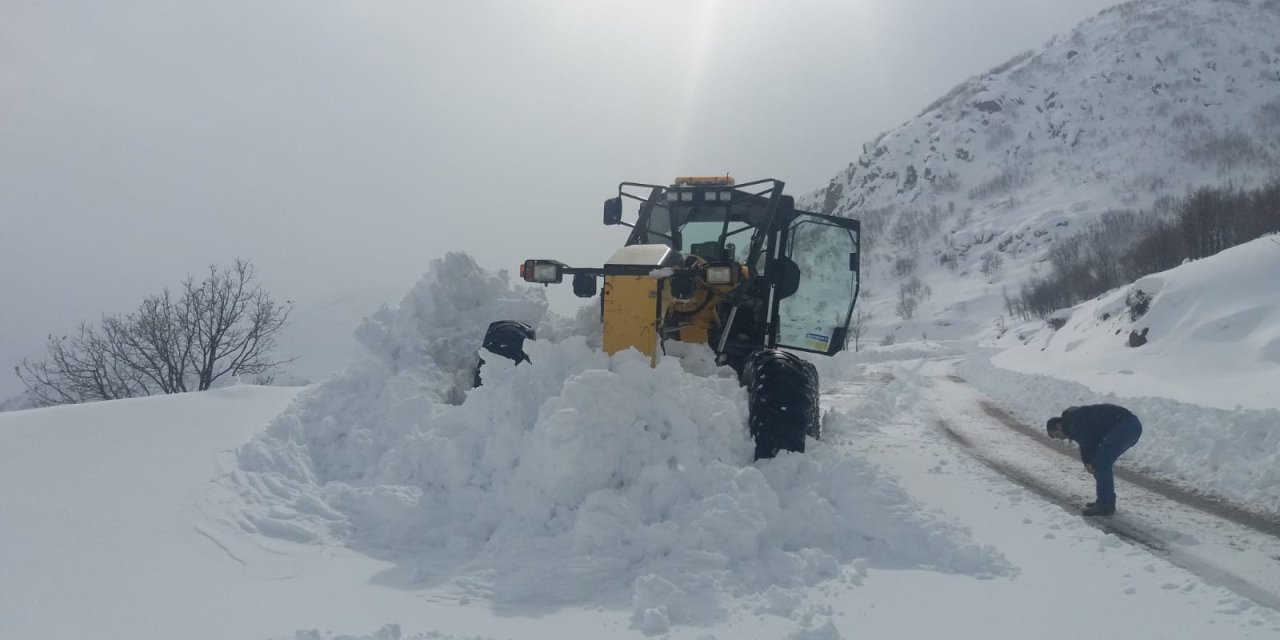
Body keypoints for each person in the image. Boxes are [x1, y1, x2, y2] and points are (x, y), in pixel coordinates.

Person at [1046, 404, 1143, 516]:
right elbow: (1089, 440)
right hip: (1128, 425)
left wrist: (1087, 462)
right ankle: (1105, 501)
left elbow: (1087, 441)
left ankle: (1105, 504)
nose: (1061, 438)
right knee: (1099, 462)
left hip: (1125, 426)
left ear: (1058, 426)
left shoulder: (1074, 421)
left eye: (1057, 435)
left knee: (1101, 463)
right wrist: (1089, 461)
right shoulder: (1073, 421)